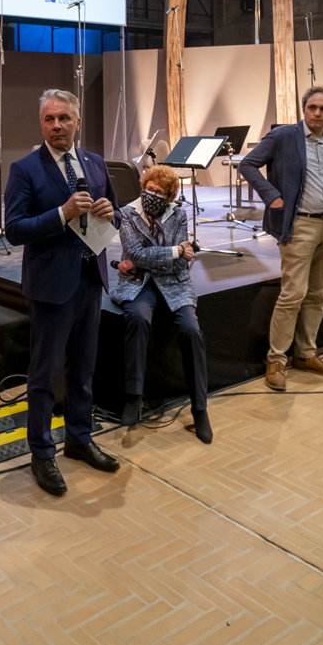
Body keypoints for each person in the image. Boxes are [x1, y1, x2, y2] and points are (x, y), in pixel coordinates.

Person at [3, 89, 121, 496]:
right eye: (49, 119)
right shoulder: (25, 169)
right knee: (45, 375)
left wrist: (111, 212)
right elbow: (15, 229)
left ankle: (79, 438)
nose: (56, 125)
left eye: (64, 118)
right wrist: (61, 214)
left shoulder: (95, 163)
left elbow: (115, 211)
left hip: (90, 280)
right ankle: (41, 453)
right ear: (41, 123)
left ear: (77, 121)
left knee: (83, 369)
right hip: (51, 286)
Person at [239, 84, 323, 392]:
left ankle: (306, 354)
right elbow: (248, 164)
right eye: (312, 107)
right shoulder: (284, 136)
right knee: (293, 295)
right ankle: (276, 360)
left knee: (318, 295)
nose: (316, 113)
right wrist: (271, 196)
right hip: (299, 226)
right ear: (304, 108)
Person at [110, 164, 212, 444]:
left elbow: (179, 263)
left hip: (174, 283)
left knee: (191, 330)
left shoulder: (178, 214)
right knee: (137, 318)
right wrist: (175, 250)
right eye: (148, 188)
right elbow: (135, 253)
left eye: (158, 192)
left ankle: (200, 408)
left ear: (168, 196)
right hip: (138, 283)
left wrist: (157, 257)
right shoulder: (128, 214)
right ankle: (134, 396)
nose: (151, 194)